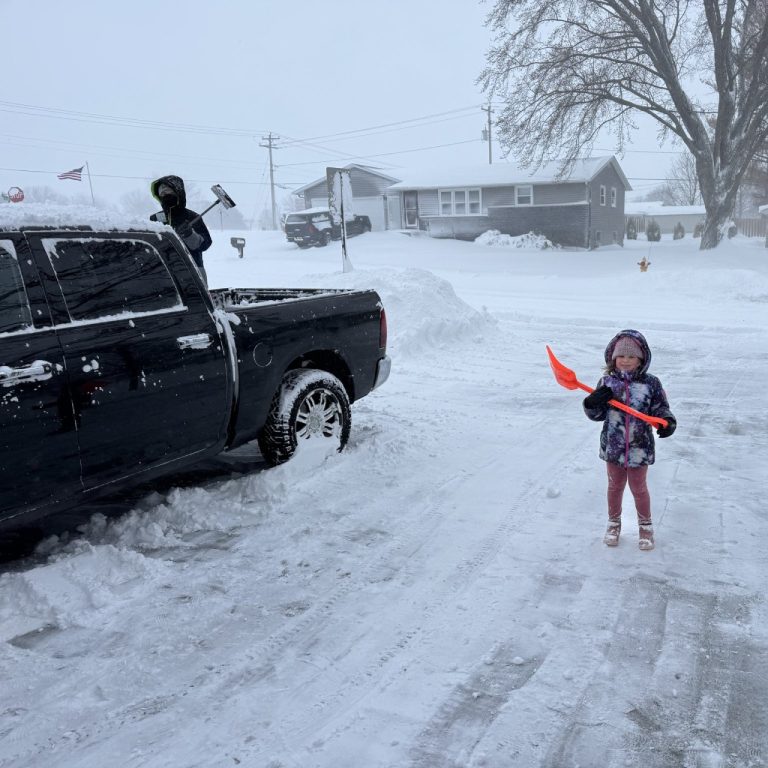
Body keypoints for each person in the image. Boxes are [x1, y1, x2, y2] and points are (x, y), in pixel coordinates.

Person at [582, 330, 676, 551]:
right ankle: (613, 523)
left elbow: (661, 408)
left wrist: (667, 421)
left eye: (631, 356)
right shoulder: (607, 382)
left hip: (639, 447)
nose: (625, 360)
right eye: (621, 356)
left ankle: (646, 526)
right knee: (614, 487)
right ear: (613, 358)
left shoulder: (651, 383)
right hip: (613, 447)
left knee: (639, 487)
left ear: (641, 359)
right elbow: (597, 415)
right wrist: (592, 403)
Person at [150, 175, 212, 285]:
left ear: (178, 193)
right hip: (163, 272)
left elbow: (206, 243)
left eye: (168, 192)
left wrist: (190, 235)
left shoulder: (193, 217)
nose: (165, 195)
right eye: (162, 194)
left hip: (193, 270)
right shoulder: (155, 218)